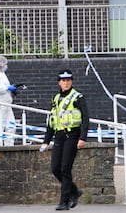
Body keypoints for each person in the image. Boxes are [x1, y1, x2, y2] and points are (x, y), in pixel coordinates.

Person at [40, 69, 89, 211]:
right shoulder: (55, 99)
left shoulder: (78, 97)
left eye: (68, 80)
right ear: (59, 82)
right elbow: (51, 121)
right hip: (59, 136)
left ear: (71, 81)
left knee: (65, 168)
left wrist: (83, 137)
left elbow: (86, 118)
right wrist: (46, 140)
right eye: (63, 80)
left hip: (72, 136)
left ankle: (64, 202)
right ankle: (74, 191)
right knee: (55, 168)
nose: (66, 83)